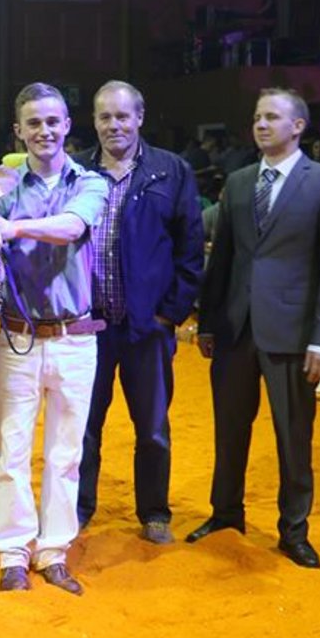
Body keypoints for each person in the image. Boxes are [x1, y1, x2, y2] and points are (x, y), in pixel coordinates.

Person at [190, 88, 320, 569]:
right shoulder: (240, 182)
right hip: (235, 329)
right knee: (229, 431)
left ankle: (294, 530)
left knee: (293, 436)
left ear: (298, 126)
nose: (261, 125)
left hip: (294, 333)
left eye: (272, 117)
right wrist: (209, 320)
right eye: (257, 117)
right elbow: (222, 258)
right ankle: (225, 515)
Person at [0, 82, 108, 595]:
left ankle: (54, 551)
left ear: (67, 126)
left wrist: (9, 230)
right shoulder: (0, 191)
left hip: (76, 336)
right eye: (33, 123)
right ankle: (13, 553)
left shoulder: (89, 183)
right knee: (12, 448)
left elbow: (74, 227)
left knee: (65, 452)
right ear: (19, 131)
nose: (44, 131)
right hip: (18, 336)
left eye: (52, 122)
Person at [76, 81, 204, 543]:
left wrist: (170, 315)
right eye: (105, 116)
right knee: (83, 427)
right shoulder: (77, 172)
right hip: (86, 327)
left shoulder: (171, 172)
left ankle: (154, 512)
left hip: (147, 327)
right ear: (93, 121)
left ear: (140, 117)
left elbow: (191, 250)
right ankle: (78, 508)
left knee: (152, 428)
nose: (114, 125)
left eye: (122, 116)